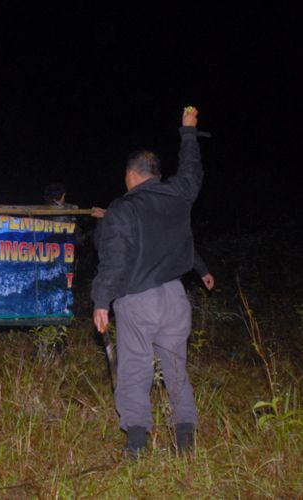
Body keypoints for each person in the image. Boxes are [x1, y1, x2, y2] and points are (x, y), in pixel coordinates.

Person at [91, 107, 203, 457]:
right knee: (175, 368)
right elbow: (191, 171)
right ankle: (185, 437)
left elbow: (114, 260)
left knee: (136, 369)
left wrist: (100, 300)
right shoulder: (178, 194)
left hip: (138, 300)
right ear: (156, 174)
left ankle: (137, 442)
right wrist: (188, 132)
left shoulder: (122, 210)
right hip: (176, 297)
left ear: (130, 174)